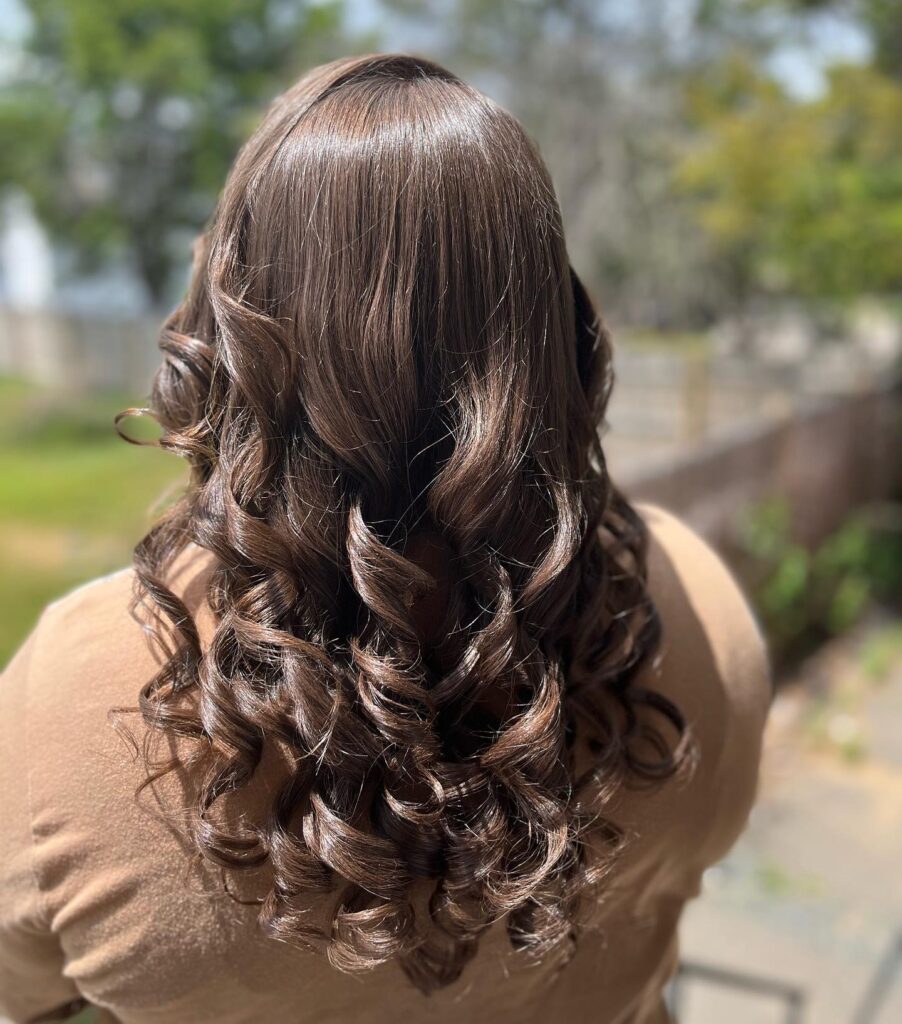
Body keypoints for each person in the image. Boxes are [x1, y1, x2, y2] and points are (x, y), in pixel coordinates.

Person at [0, 53, 772, 1024]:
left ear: (234, 330)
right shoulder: (695, 604)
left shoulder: (79, 696)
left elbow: (18, 988)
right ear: (550, 334)